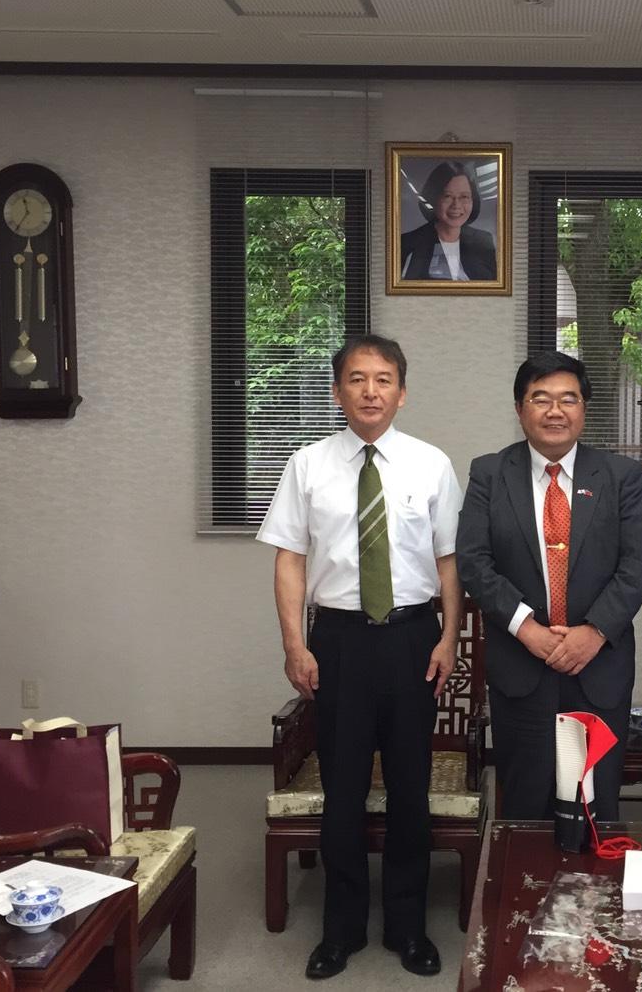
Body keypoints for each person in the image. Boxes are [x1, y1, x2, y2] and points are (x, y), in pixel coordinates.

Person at [257, 334, 463, 981]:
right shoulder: (307, 465)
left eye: (383, 380)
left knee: (409, 786)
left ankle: (407, 927)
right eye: (356, 379)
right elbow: (289, 560)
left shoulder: (431, 464)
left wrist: (449, 637)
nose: (370, 391)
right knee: (342, 788)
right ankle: (340, 930)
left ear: (402, 392)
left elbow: (449, 561)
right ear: (337, 391)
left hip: (411, 638)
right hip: (339, 640)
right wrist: (294, 643)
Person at [456, 351, 642, 822]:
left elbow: (640, 563)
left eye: (568, 399)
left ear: (584, 408)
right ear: (519, 408)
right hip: (521, 667)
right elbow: (474, 561)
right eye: (540, 399)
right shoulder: (489, 473)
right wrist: (527, 629)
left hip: (597, 667)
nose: (555, 411)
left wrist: (595, 631)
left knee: (593, 805)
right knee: (525, 806)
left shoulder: (620, 476)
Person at [399, 161, 498, 281]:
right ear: (433, 199)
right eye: (447, 196)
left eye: (464, 197)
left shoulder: (483, 240)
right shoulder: (408, 243)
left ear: (473, 200)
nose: (456, 205)